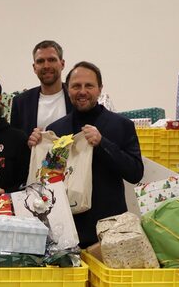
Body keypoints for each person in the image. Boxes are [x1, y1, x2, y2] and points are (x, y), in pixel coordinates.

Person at [42, 61, 144, 248]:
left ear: (100, 89)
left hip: (110, 230)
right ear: (67, 89)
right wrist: (37, 146)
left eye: (89, 85)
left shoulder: (121, 125)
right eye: (76, 86)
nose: (82, 91)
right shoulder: (56, 129)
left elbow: (135, 173)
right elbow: (47, 179)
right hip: (68, 230)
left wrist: (102, 143)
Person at [10, 40, 73, 142]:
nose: (46, 66)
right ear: (34, 67)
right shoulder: (21, 103)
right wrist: (28, 144)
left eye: (52, 60)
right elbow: (15, 143)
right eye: (40, 61)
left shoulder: (76, 97)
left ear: (62, 64)